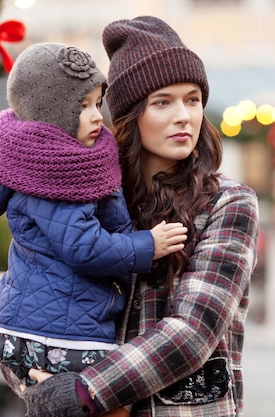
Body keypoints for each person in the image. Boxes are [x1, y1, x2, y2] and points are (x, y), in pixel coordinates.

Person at [21, 16, 260, 417]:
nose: (184, 115)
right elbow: (32, 300)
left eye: (193, 99)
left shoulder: (229, 204)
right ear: (131, 115)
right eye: (162, 102)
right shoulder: (86, 204)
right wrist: (39, 386)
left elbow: (193, 333)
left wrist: (84, 391)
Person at [0, 42, 188, 416]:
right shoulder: (59, 173)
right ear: (52, 114)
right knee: (117, 399)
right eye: (83, 107)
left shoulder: (22, 156)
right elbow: (83, 248)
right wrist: (148, 245)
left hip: (22, 323)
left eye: (98, 102)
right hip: (59, 333)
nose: (98, 116)